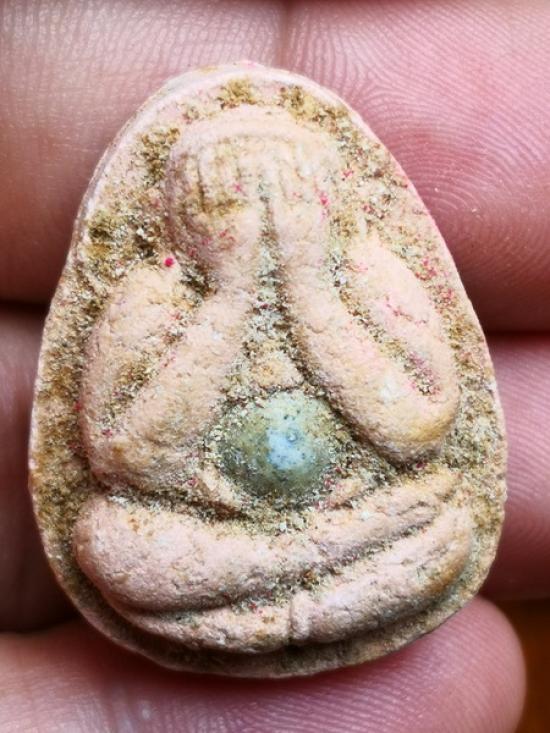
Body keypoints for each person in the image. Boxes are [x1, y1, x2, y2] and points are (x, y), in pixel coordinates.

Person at [1, 1, 548, 730]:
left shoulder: (369, 273)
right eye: (222, 196)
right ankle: (307, 583)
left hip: (354, 504)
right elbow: (128, 459)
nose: (257, 214)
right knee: (108, 541)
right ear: (178, 209)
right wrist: (229, 298)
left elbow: (417, 429)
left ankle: (275, 591)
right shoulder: (153, 294)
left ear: (331, 200)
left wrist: (309, 286)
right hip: (211, 520)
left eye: (288, 191)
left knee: (447, 521)